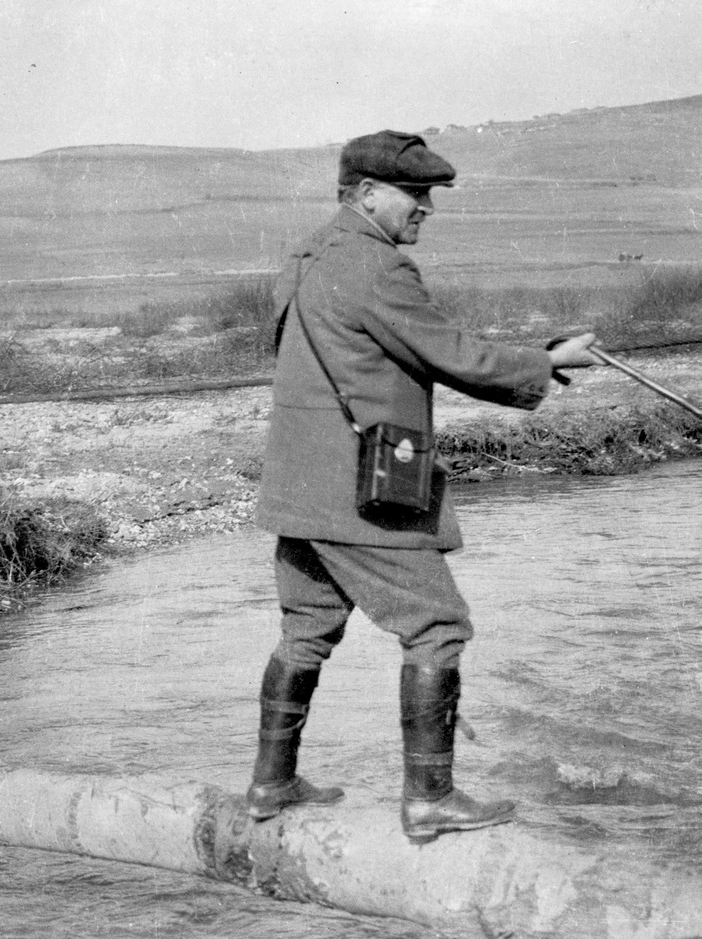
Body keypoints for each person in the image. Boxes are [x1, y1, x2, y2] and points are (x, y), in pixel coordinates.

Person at [246, 130, 603, 844]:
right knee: (438, 626)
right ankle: (430, 799)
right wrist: (545, 361)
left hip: (301, 487)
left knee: (306, 629)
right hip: (360, 492)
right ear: (367, 193)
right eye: (416, 194)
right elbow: (450, 352)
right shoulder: (379, 268)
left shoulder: (308, 255)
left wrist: (535, 359)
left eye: (429, 194)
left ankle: (270, 784)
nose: (427, 208)